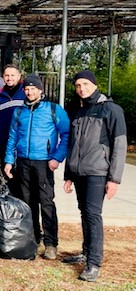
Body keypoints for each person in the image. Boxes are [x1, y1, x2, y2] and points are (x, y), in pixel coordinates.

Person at [63, 70, 127, 282]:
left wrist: (114, 179)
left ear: (94, 84)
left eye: (86, 84)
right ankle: (86, 252)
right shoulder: (79, 111)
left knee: (92, 214)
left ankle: (94, 263)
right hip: (79, 172)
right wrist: (69, 174)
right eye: (78, 85)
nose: (82, 88)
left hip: (98, 173)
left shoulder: (111, 109)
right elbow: (73, 144)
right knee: (84, 213)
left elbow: (119, 145)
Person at [3, 74, 70, 260]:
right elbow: (12, 138)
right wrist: (9, 160)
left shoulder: (54, 110)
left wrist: (57, 158)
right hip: (23, 162)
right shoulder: (19, 111)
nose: (30, 91)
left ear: (40, 90)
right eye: (27, 88)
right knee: (26, 201)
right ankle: (33, 236)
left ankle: (51, 243)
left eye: (33, 88)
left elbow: (66, 135)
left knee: (46, 202)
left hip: (44, 163)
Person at [0, 64, 25, 197]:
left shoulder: (25, 93)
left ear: (19, 76)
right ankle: (11, 202)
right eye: (7, 75)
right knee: (8, 174)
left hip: (22, 143)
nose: (9, 78)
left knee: (22, 175)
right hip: (4, 142)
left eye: (12, 75)